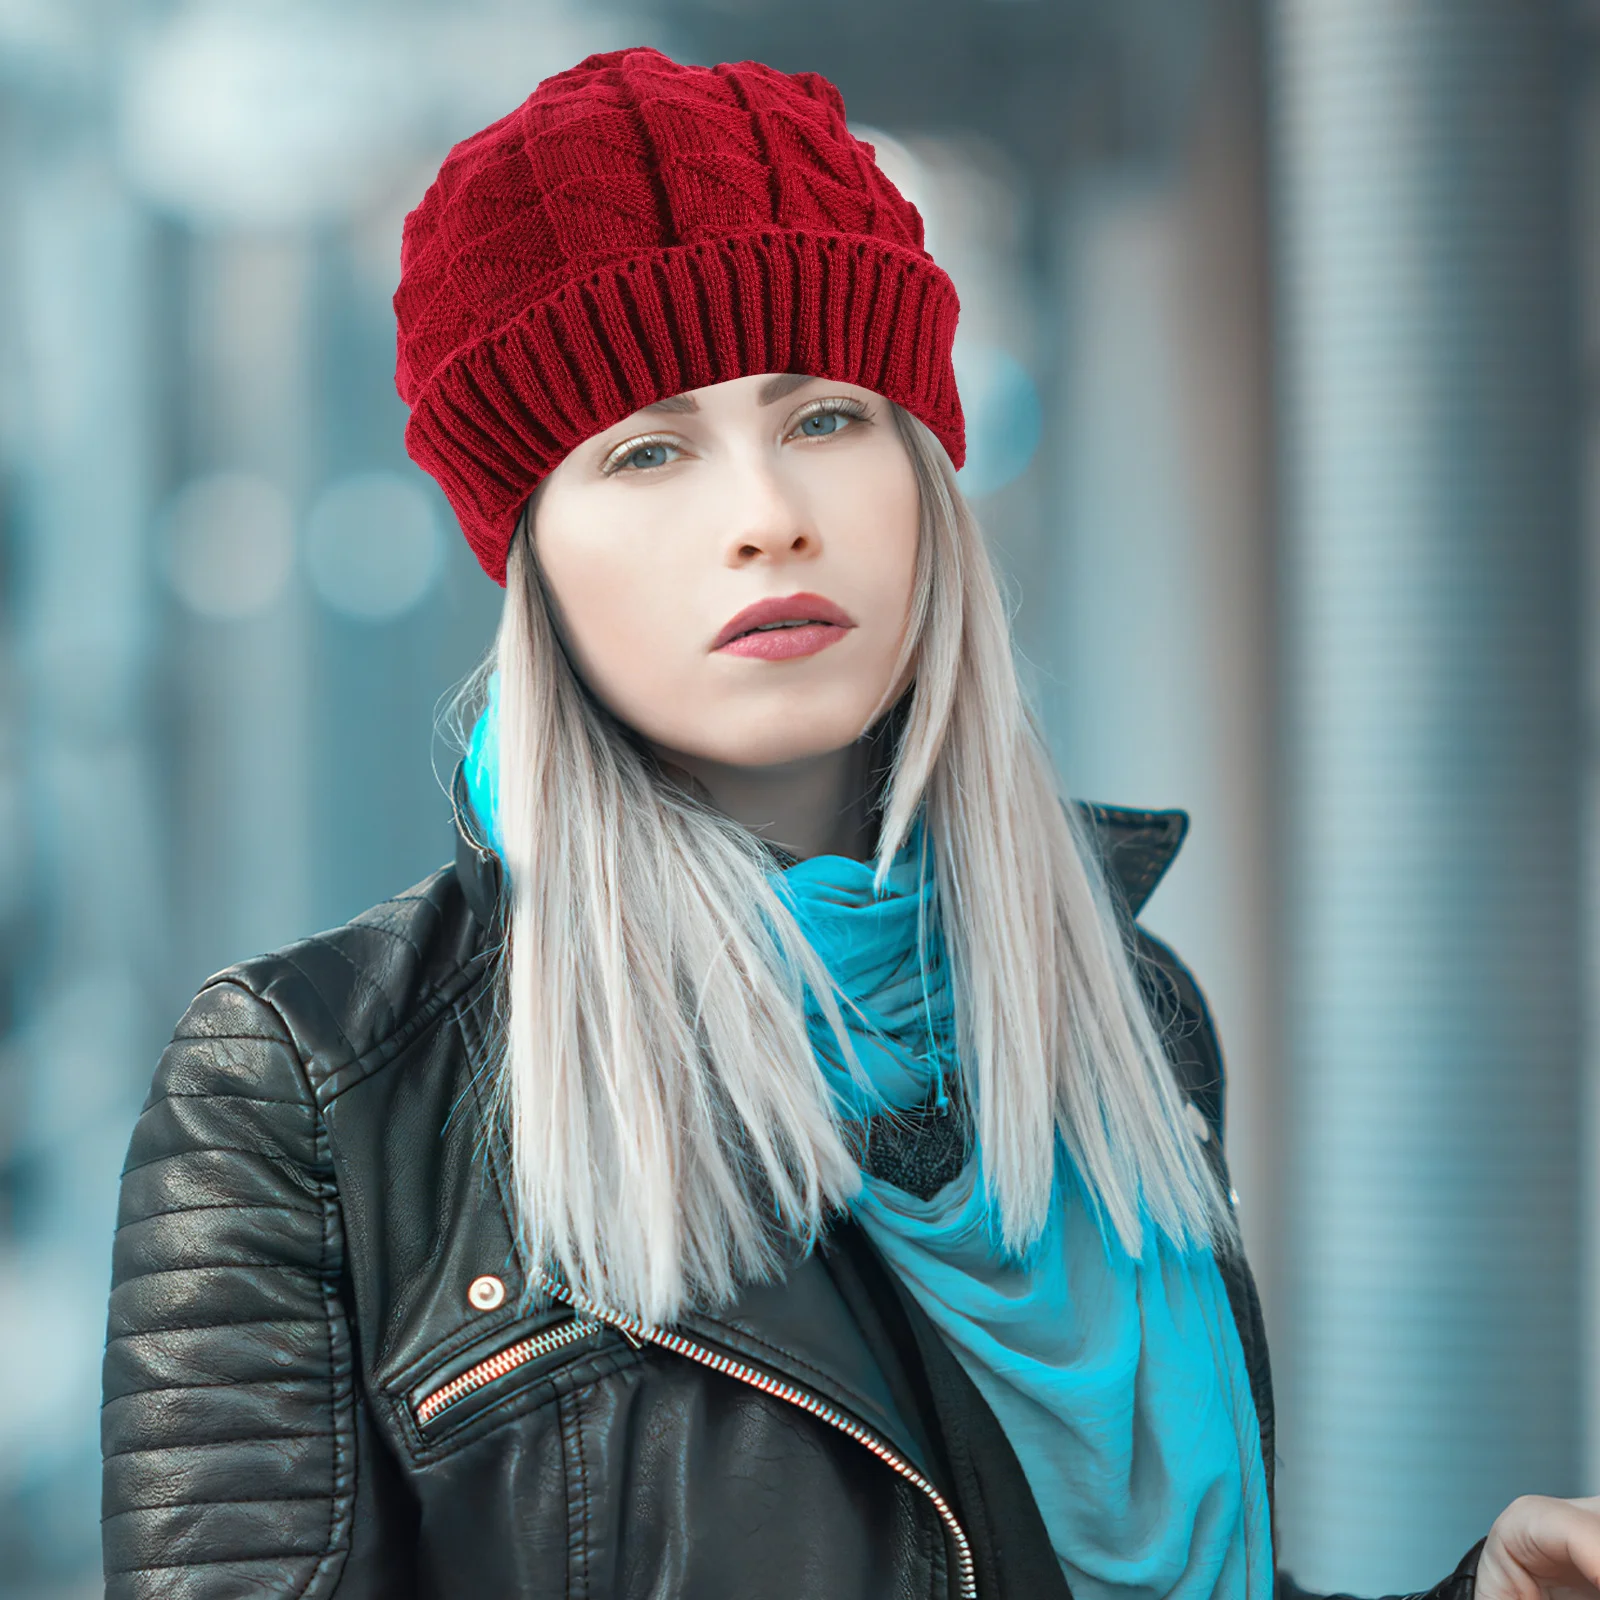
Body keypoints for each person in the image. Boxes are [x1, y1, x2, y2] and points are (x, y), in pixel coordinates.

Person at [100, 46, 1599, 1600]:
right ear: (532, 562)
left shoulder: (1116, 1015)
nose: (766, 513)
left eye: (823, 417)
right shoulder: (312, 1094)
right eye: (649, 450)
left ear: (923, 477)